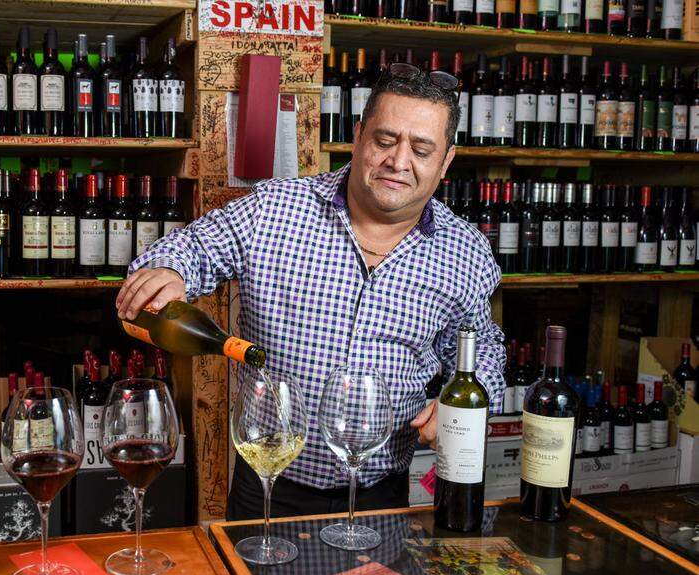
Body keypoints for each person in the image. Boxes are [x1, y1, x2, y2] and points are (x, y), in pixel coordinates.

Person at [116, 64, 506, 520]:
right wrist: (168, 269)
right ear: (358, 136)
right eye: (384, 140)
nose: (399, 162)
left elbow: (480, 349)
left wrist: (467, 395)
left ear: (446, 161)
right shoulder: (276, 208)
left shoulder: (465, 250)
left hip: (382, 496)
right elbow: (193, 246)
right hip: (268, 481)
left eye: (421, 149)